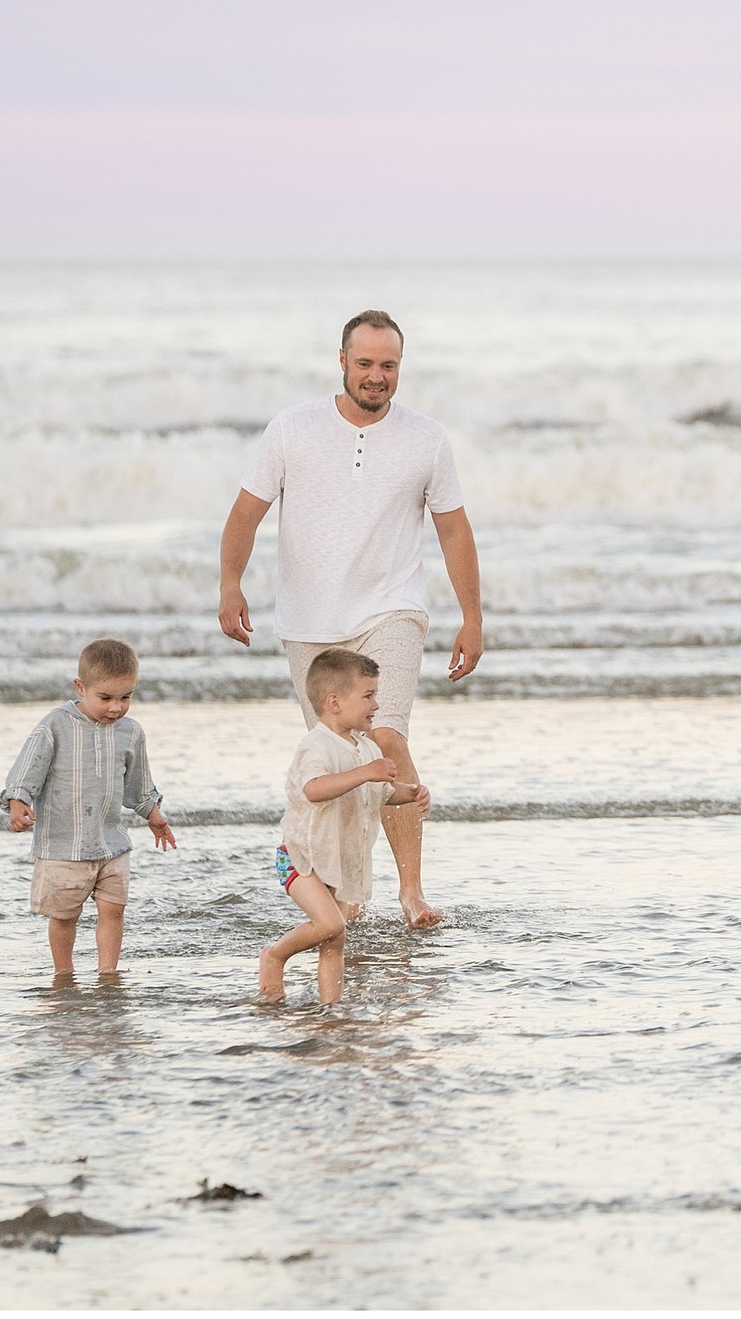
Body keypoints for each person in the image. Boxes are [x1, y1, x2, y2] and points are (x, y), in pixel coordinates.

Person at [219, 310, 482, 929]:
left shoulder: (427, 439)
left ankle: (411, 891)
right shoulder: (292, 429)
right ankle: (348, 891)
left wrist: (472, 617)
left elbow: (454, 529)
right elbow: (245, 513)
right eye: (364, 363)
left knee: (386, 737)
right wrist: (230, 584)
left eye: (388, 365)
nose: (376, 376)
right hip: (309, 619)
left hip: (391, 607)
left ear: (400, 368)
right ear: (342, 362)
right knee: (340, 760)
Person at [0, 638, 177, 977]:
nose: (116, 708)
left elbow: (138, 783)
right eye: (106, 698)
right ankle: (63, 973)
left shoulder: (131, 732)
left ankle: (108, 972)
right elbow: (28, 767)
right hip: (64, 845)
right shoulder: (56, 725)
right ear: (81, 687)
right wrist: (18, 801)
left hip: (111, 842)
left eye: (126, 697)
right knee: (65, 916)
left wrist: (154, 815)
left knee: (114, 910)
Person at [262, 649, 429, 1003]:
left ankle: (331, 1007)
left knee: (335, 939)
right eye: (368, 696)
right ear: (334, 702)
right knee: (331, 925)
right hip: (300, 858)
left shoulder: (367, 749)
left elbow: (381, 794)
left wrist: (411, 793)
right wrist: (364, 773)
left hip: (337, 859)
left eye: (376, 695)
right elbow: (314, 789)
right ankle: (275, 956)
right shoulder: (316, 746)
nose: (377, 705)